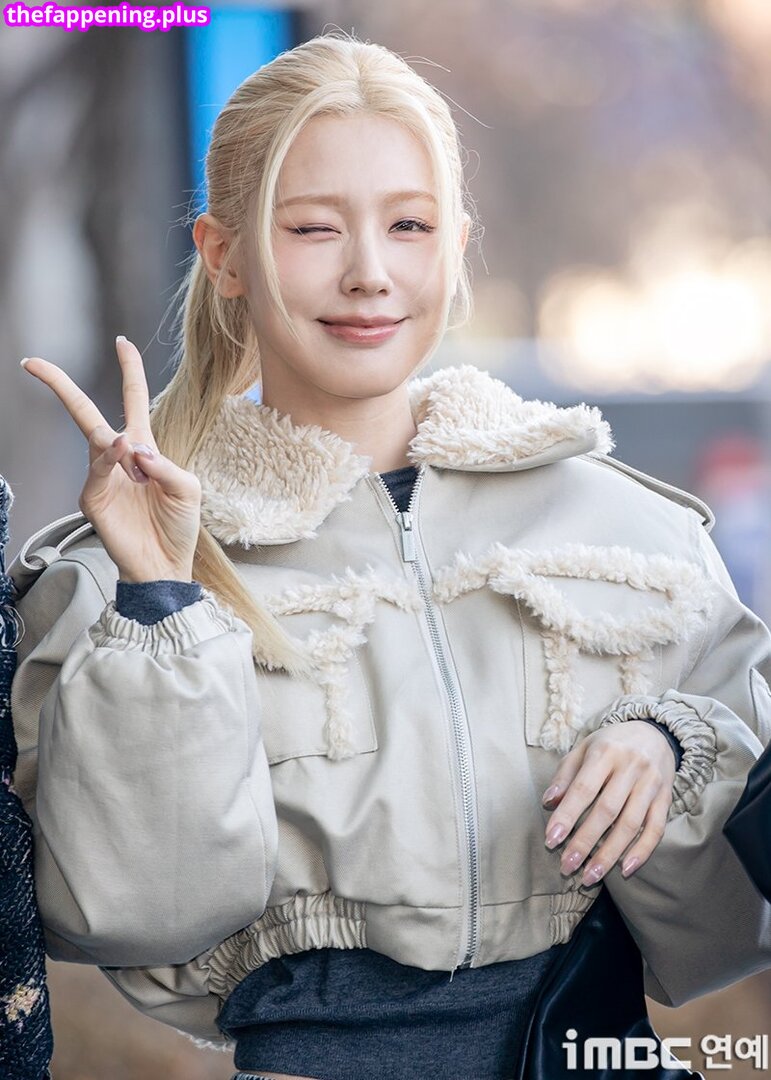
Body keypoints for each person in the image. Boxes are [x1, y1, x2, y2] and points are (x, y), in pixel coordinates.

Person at [9, 34, 771, 1080]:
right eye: (314, 228)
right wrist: (161, 600)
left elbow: (733, 931)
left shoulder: (633, 533)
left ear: (456, 247)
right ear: (223, 256)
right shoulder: (118, 572)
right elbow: (134, 913)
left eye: (409, 225)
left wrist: (672, 743)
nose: (369, 273)